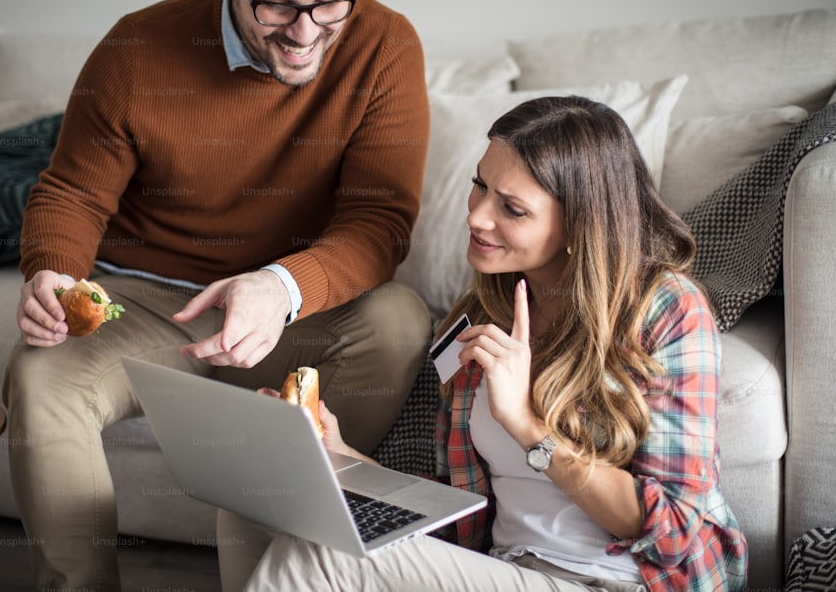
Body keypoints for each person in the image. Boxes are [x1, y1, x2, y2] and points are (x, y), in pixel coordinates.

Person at [1, 0, 432, 588]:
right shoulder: (136, 47)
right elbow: (74, 192)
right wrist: (52, 270)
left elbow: (378, 223)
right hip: (144, 305)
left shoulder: (385, 44)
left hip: (291, 317)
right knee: (40, 375)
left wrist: (280, 285)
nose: (307, 30)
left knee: (399, 319)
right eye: (278, 5)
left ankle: (306, 564)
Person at [218, 96, 748, 591]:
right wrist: (341, 457)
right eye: (480, 186)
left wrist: (525, 424)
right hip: (504, 569)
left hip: (615, 581)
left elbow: (677, 529)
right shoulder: (478, 316)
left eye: (512, 209)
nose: (476, 216)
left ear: (580, 223)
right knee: (253, 504)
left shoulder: (667, 310)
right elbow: (458, 510)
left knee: (322, 553)